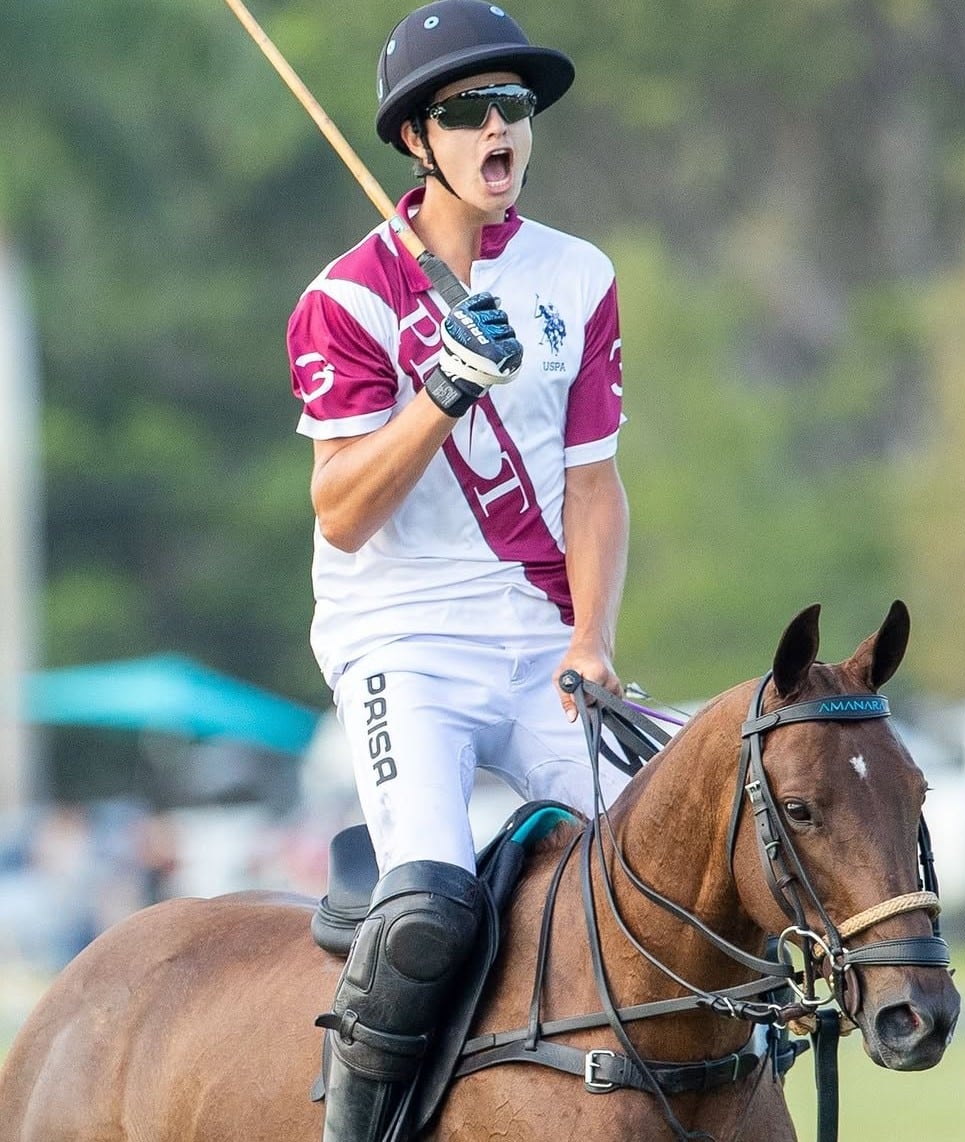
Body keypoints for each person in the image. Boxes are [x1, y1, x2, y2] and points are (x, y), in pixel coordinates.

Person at [286, 3, 631, 1139]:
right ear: (414, 140)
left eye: (514, 105)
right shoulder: (346, 299)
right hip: (405, 643)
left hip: (544, 645)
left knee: (677, 857)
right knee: (427, 911)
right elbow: (341, 514)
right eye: (469, 108)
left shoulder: (578, 275)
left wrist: (591, 641)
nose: (500, 127)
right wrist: (442, 389)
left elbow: (594, 485)